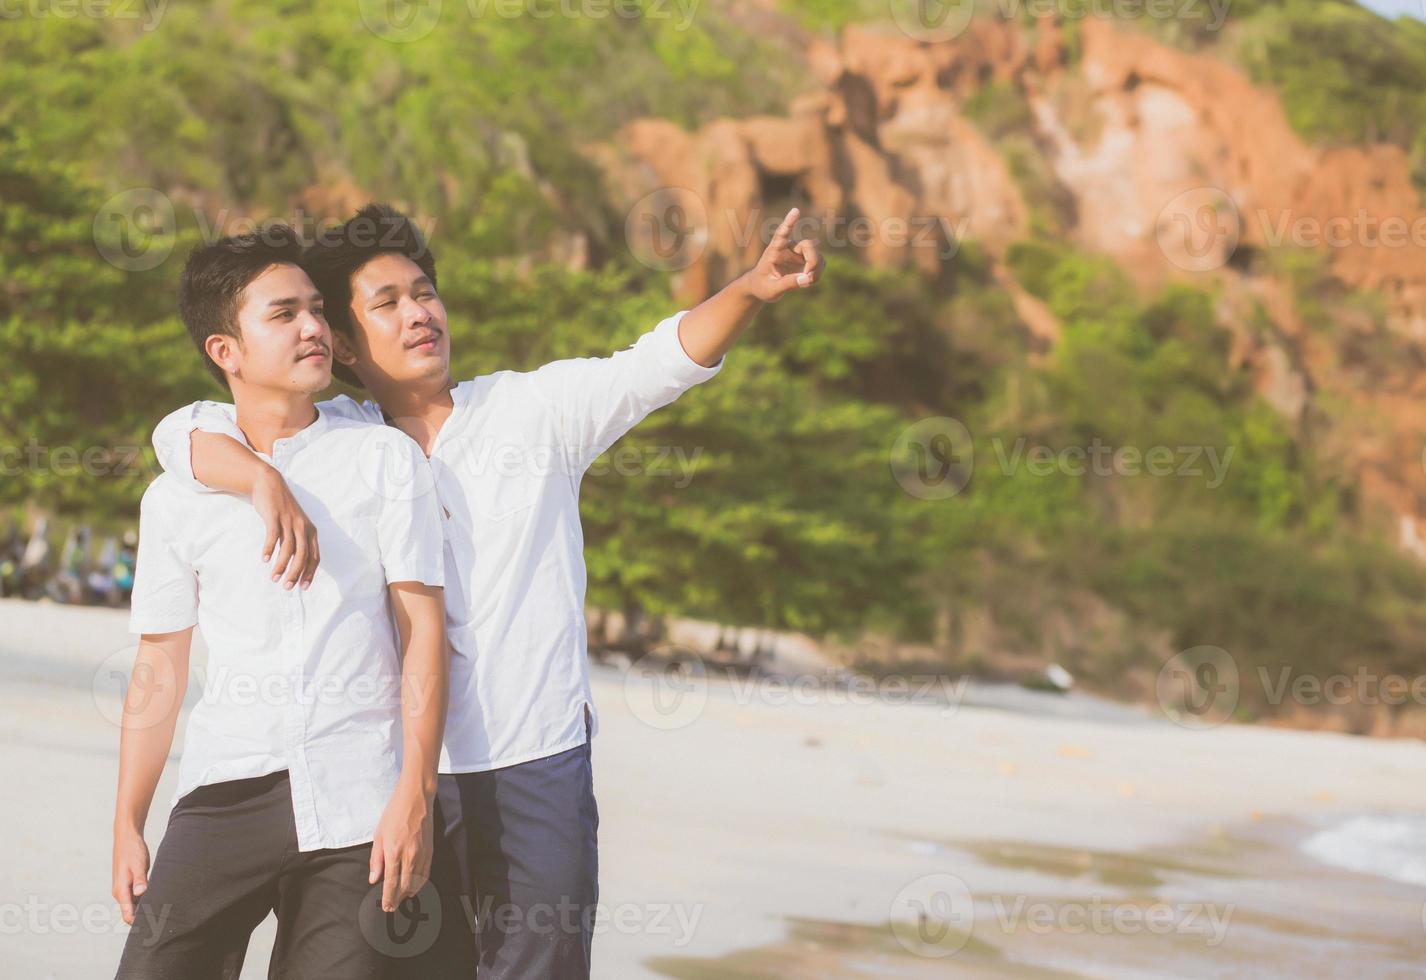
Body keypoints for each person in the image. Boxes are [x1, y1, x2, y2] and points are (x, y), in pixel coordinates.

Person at [150, 202, 825, 978]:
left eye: (424, 292)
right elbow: (184, 431)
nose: (418, 313)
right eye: (388, 303)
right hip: (393, 774)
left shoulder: (532, 411)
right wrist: (261, 477)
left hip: (533, 763)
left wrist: (750, 289)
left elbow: (656, 363)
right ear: (340, 341)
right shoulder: (331, 440)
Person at [114, 226, 449, 979]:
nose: (314, 328)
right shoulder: (178, 496)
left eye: (318, 310)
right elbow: (158, 667)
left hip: (359, 800)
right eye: (284, 314)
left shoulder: (381, 459)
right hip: (225, 790)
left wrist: (414, 794)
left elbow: (422, 632)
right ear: (224, 352)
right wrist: (128, 821)